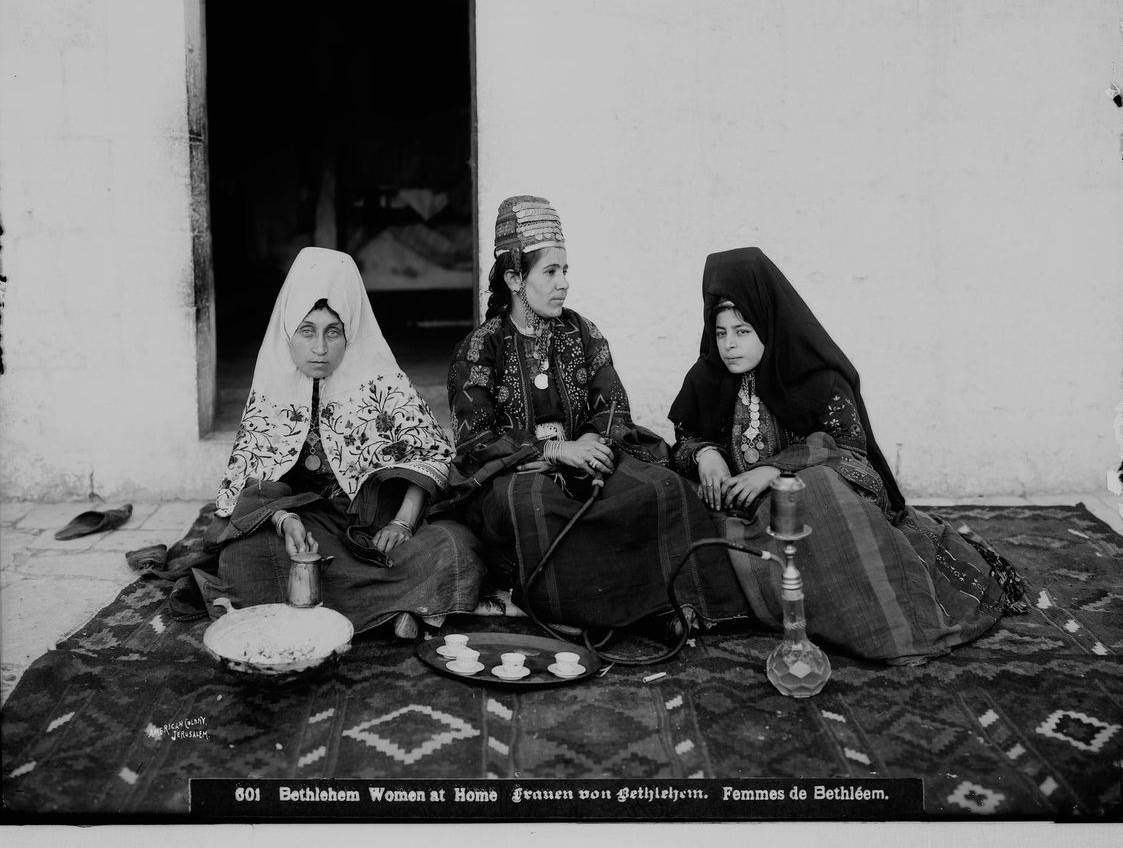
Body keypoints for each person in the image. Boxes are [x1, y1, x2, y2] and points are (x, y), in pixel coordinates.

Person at [668, 247, 1027, 665]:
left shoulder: (816, 376)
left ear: (767, 322)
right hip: (738, 511)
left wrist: (774, 470)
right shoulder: (707, 377)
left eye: (742, 331)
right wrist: (705, 455)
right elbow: (685, 439)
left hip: (805, 506)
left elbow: (850, 450)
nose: (729, 345)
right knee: (670, 495)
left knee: (818, 490)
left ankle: (890, 630)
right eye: (720, 333)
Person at [437, 197, 748, 631]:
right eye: (550, 272)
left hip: (588, 457)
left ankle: (679, 603)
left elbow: (612, 406)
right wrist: (554, 451)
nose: (564, 283)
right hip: (517, 474)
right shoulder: (480, 348)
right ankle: (567, 609)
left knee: (661, 487)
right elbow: (476, 439)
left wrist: (589, 443)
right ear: (514, 278)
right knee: (534, 505)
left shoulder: (582, 332)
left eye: (565, 270)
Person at [198, 247, 486, 639]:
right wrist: (284, 520)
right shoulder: (271, 389)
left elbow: (433, 457)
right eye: (307, 331)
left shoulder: (385, 383)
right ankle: (398, 607)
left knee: (454, 546)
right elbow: (246, 483)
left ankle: (345, 606)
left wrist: (402, 522)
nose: (320, 348)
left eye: (333, 332)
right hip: (308, 525)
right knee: (241, 559)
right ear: (287, 330)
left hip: (377, 525)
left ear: (350, 329)